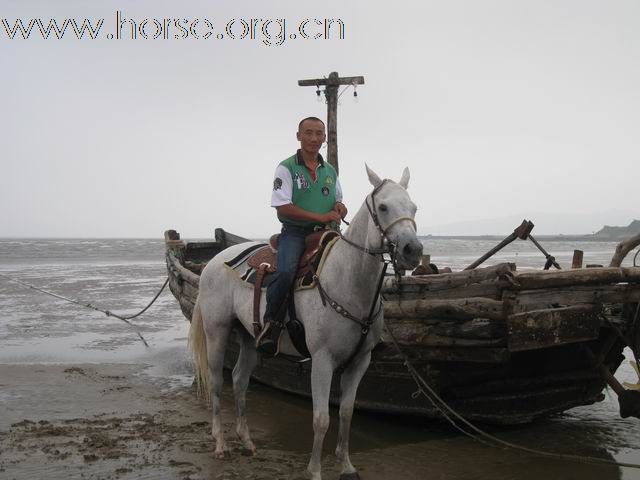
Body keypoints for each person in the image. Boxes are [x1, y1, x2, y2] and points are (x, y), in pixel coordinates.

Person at [257, 116, 348, 355]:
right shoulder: (286, 168)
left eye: (319, 134)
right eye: (308, 133)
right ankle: (272, 324)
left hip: (328, 233)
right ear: (298, 136)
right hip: (295, 233)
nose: (314, 138)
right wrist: (319, 217)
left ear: (325, 138)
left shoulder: (330, 171)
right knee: (286, 271)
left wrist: (340, 208)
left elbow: (338, 199)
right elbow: (282, 206)